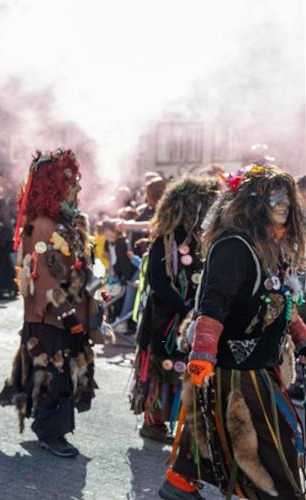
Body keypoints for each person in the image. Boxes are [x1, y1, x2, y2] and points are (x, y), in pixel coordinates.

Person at [159, 164, 306, 500]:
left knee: (214, 425)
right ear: (254, 205)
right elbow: (214, 304)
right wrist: (203, 355)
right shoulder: (235, 246)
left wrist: (302, 339)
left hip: (260, 361)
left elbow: (284, 302)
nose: (284, 207)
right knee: (271, 441)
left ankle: (179, 483)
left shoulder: (273, 249)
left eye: (287, 201)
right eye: (275, 200)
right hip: (237, 367)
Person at [0, 149, 98, 458]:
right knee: (53, 371)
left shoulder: (72, 221)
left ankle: (53, 428)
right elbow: (40, 276)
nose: (76, 186)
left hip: (71, 312)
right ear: (51, 184)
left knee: (67, 370)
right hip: (51, 316)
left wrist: (94, 294)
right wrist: (67, 314)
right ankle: (49, 431)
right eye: (68, 180)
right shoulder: (42, 224)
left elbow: (82, 265)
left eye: (76, 179)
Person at [130, 178, 219, 444]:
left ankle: (184, 422)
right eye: (202, 206)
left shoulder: (203, 242)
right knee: (163, 366)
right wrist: (183, 306)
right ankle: (153, 422)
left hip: (190, 317)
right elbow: (157, 282)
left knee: (185, 369)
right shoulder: (165, 241)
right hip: (165, 319)